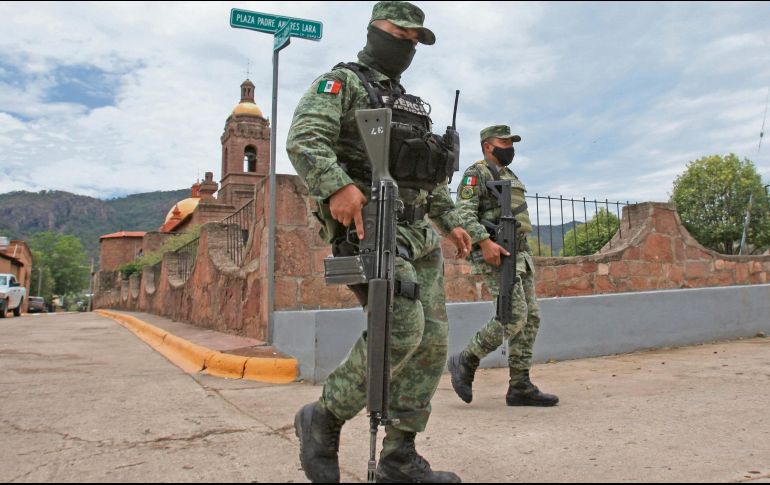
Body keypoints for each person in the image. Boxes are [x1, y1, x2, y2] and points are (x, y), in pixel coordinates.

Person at [285, 1, 472, 483]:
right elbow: (305, 138)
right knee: (401, 330)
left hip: (420, 235)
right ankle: (323, 417)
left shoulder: (410, 106)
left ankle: (399, 456)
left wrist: (451, 222)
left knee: (432, 344)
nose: (407, 44)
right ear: (374, 30)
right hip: (372, 228)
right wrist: (337, 186)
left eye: (415, 40)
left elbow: (429, 182)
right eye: (400, 33)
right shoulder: (342, 82)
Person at [447, 125, 559, 408]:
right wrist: (484, 242)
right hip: (496, 252)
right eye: (504, 142)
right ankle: (466, 358)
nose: (509, 147)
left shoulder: (510, 175)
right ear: (487, 145)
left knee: (530, 318)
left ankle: (520, 385)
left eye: (512, 142)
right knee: (513, 315)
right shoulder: (477, 172)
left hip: (520, 253)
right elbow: (463, 212)